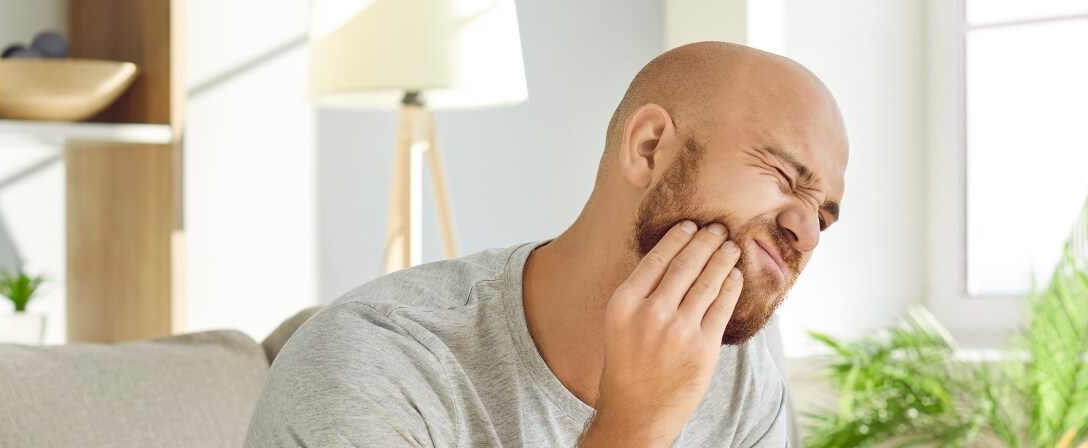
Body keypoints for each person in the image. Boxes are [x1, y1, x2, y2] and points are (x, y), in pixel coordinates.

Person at [246, 41, 847, 447]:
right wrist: (635, 423)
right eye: (784, 177)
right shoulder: (375, 364)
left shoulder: (738, 379)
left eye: (825, 215)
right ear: (648, 149)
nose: (808, 232)